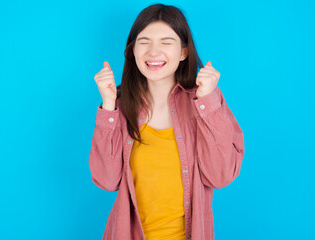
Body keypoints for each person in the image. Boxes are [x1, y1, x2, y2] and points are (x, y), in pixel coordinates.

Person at [89, 3, 245, 240]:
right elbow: (106, 181)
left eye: (166, 42)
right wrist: (109, 105)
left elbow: (221, 176)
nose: (153, 52)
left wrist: (209, 101)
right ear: (133, 50)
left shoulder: (204, 100)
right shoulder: (119, 105)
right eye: (144, 42)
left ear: (183, 52)